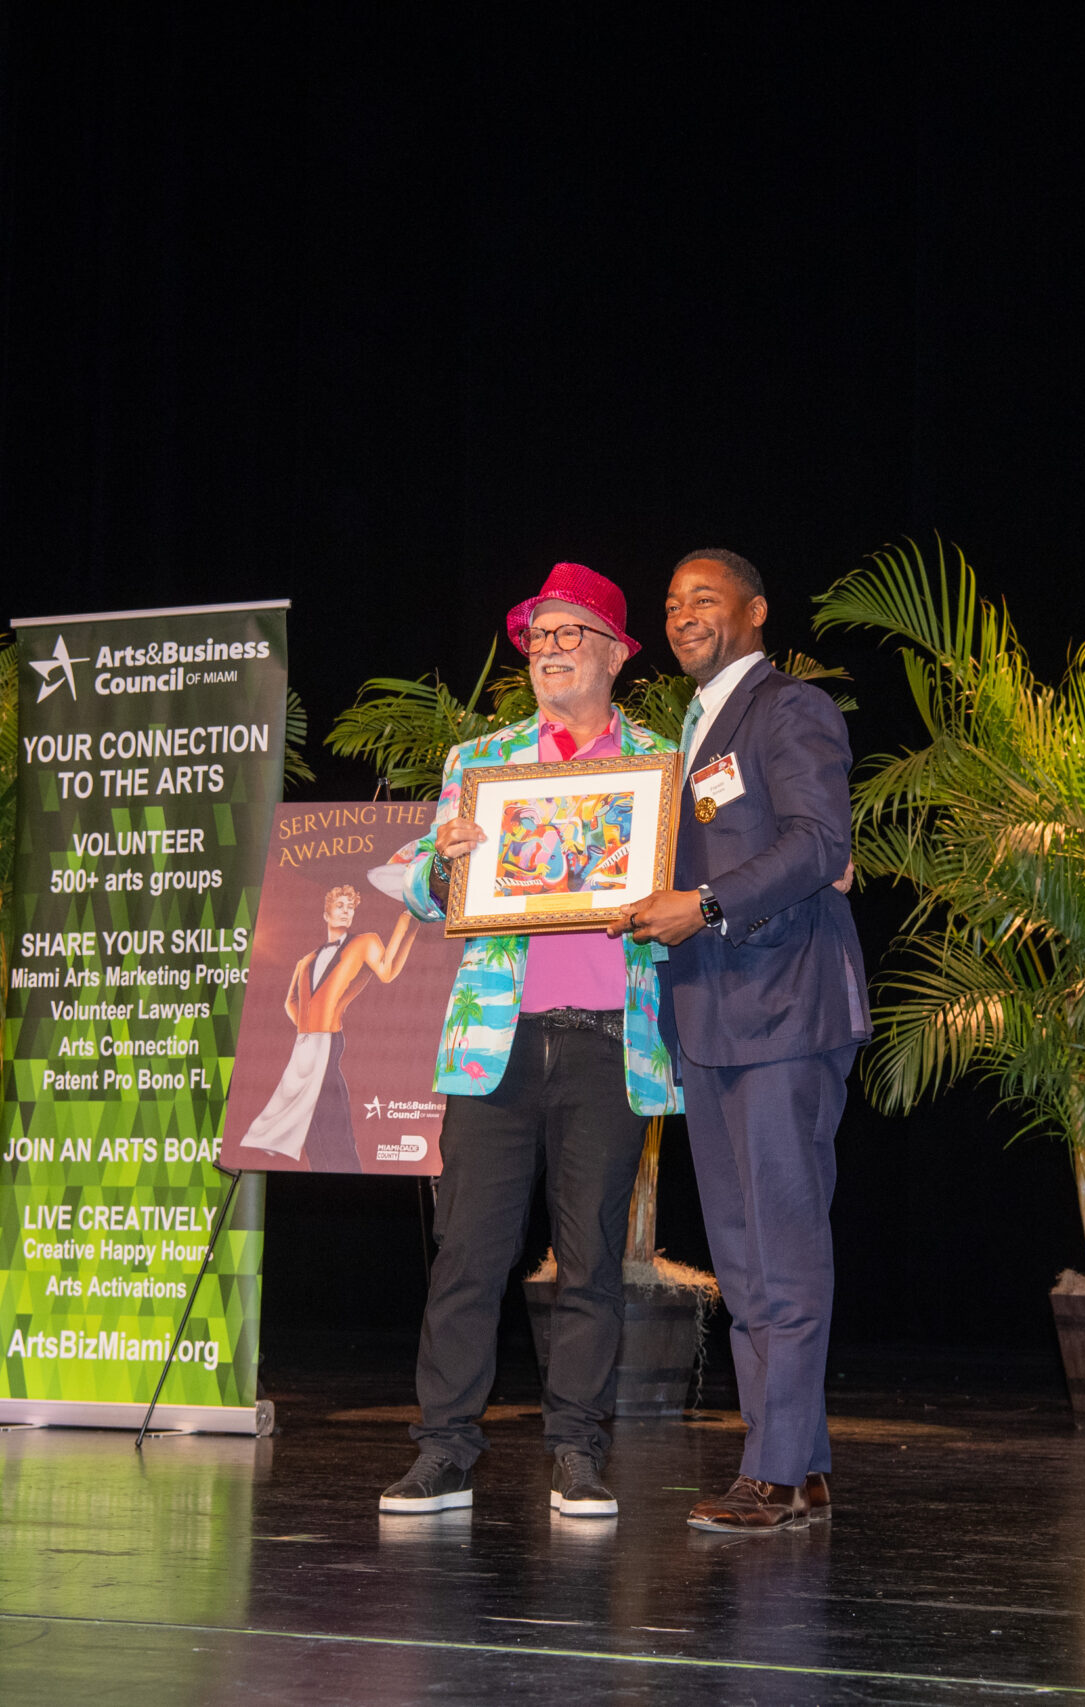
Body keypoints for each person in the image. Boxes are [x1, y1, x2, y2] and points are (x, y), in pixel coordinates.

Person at [375, 563, 682, 1522]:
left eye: (568, 633)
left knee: (590, 1260)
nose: (548, 650)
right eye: (538, 636)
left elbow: (690, 893)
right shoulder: (483, 762)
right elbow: (417, 887)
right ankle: (443, 1451)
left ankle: (577, 1454)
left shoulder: (660, 766)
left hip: (609, 1043)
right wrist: (444, 865)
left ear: (615, 654)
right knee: (467, 1253)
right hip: (494, 1045)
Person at [616, 548, 868, 1534]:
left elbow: (819, 842)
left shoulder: (788, 709)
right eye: (671, 601)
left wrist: (708, 903)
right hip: (712, 1019)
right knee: (743, 1253)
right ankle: (797, 1462)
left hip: (784, 1010)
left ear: (755, 611)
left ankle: (774, 1470)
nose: (683, 614)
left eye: (704, 598)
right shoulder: (686, 734)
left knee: (783, 1247)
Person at [233, 884, 416, 1172]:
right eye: (340, 905)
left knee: (334, 1126)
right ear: (325, 913)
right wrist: (308, 1028)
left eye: (350, 907)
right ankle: (321, 1181)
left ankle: (350, 1180)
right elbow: (290, 1002)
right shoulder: (305, 960)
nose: (346, 911)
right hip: (305, 1045)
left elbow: (387, 971)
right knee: (310, 1127)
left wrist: (407, 921)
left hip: (328, 1041)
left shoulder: (364, 942)